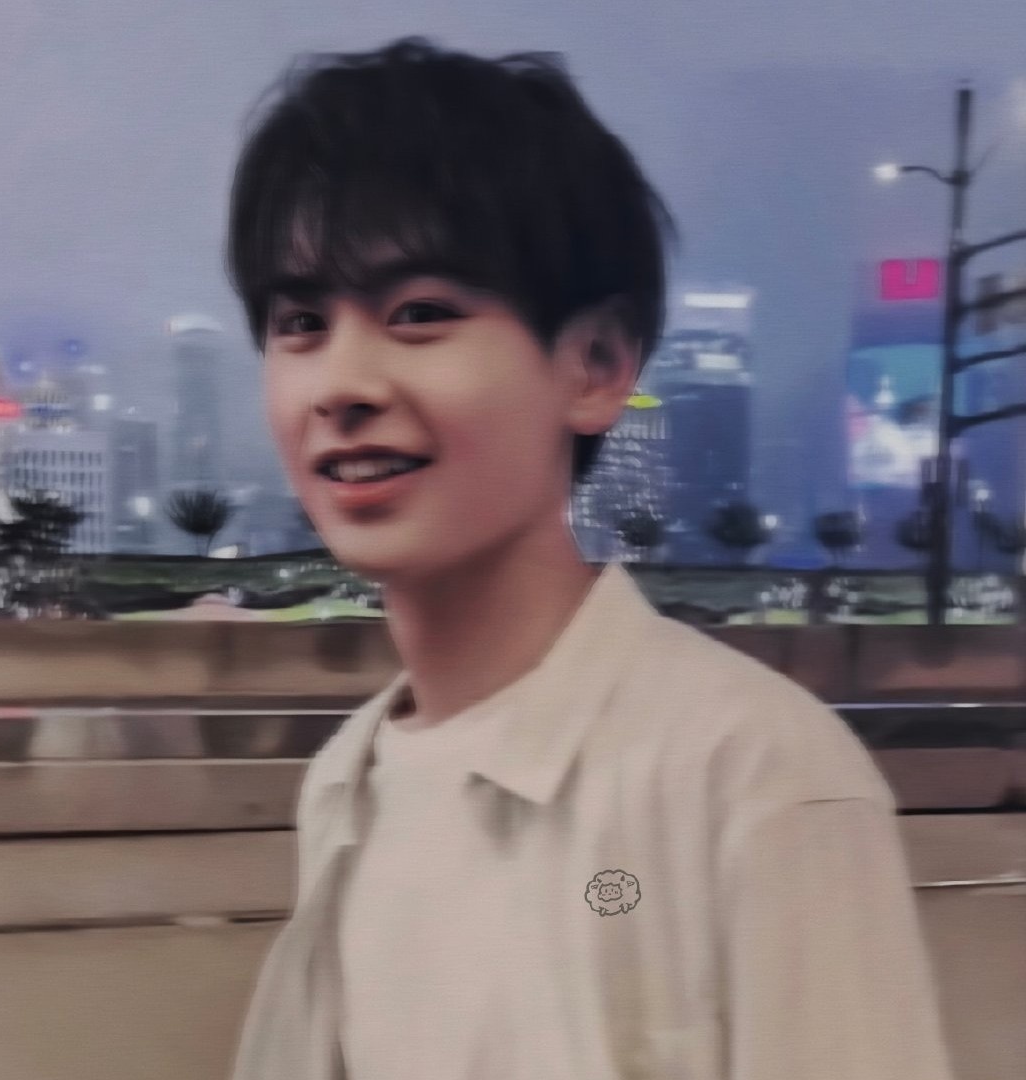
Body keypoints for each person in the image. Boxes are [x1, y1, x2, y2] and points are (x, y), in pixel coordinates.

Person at [225, 38, 953, 1080]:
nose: (341, 383)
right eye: (300, 323)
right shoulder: (347, 782)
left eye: (419, 314)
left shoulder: (756, 777)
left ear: (598, 365)